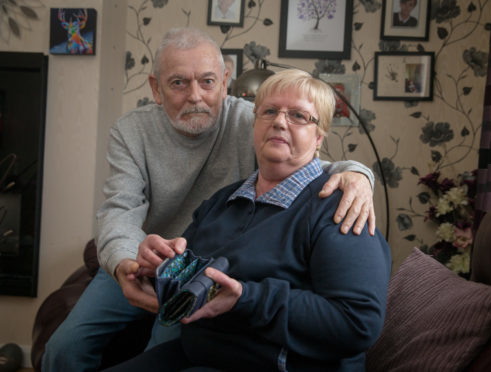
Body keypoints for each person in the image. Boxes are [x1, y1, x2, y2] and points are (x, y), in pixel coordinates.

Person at [42, 27, 377, 371]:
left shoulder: (251, 119)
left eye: (207, 82)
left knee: (167, 341)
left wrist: (358, 174)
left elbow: (300, 155)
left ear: (225, 82)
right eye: (178, 83)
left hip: (200, 270)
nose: (195, 96)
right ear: (156, 88)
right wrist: (125, 263)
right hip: (142, 258)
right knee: (63, 348)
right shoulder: (132, 132)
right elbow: (120, 211)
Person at [104, 69, 391, 372]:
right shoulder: (222, 202)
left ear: (318, 137)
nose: (280, 121)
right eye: (269, 111)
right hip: (199, 354)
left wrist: (245, 298)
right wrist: (155, 266)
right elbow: (187, 278)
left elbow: (357, 323)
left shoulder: (339, 209)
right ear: (254, 125)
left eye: (298, 116)